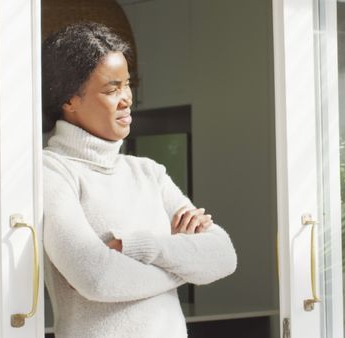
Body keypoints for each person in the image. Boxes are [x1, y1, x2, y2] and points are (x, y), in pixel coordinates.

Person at [41, 22, 237, 338]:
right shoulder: (52, 171)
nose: (126, 99)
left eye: (127, 85)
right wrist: (184, 265)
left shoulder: (148, 172)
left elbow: (224, 256)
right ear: (68, 100)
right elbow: (96, 277)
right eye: (111, 89)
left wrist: (137, 247)